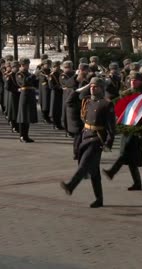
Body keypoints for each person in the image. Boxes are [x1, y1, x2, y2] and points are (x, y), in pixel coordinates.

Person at [60, 77, 116, 208]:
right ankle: (99, 199)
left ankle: (71, 185)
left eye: (95, 86)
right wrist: (82, 88)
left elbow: (111, 127)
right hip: (85, 136)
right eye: (91, 86)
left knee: (84, 164)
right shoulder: (87, 101)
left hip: (96, 139)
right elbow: (69, 101)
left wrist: (109, 143)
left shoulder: (106, 104)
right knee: (94, 172)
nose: (92, 88)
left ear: (101, 88)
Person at [102, 72, 142, 191]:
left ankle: (112, 171)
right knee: (130, 158)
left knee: (126, 152)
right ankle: (137, 183)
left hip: (137, 128)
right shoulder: (126, 94)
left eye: (135, 80)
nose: (132, 82)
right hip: (127, 126)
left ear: (140, 81)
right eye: (131, 80)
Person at [66, 63, 90, 159]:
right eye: (84, 70)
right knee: (78, 133)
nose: (86, 72)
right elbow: (76, 93)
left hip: (79, 109)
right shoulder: (73, 81)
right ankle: (77, 153)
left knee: (80, 133)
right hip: (74, 110)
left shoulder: (83, 80)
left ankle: (78, 152)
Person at [16, 58, 38, 143]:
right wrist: (33, 76)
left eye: (28, 64)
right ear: (22, 65)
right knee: (23, 116)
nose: (28, 66)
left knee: (28, 116)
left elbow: (34, 83)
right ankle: (22, 136)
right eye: (26, 64)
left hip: (30, 94)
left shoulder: (28, 73)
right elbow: (24, 82)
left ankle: (26, 135)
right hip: (24, 95)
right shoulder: (19, 74)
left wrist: (36, 77)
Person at [60, 61, 76, 131]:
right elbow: (68, 83)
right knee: (66, 111)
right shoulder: (63, 76)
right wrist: (75, 76)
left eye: (70, 67)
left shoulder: (74, 73)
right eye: (66, 67)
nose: (68, 69)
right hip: (67, 94)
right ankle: (67, 128)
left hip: (74, 93)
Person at [35, 59, 52, 124]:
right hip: (44, 89)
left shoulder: (50, 71)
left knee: (48, 103)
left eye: (49, 64)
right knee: (45, 103)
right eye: (47, 64)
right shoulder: (41, 72)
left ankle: (48, 116)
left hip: (49, 89)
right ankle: (45, 117)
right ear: (44, 65)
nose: (48, 66)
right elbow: (42, 79)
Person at [49, 61, 64, 130]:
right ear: (53, 67)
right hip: (55, 93)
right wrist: (59, 87)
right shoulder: (52, 75)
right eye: (55, 66)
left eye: (58, 66)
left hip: (60, 92)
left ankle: (59, 123)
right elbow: (51, 86)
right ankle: (56, 124)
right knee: (55, 109)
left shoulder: (61, 73)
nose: (57, 68)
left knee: (59, 109)